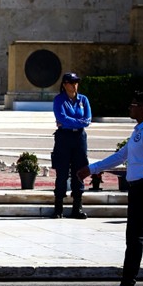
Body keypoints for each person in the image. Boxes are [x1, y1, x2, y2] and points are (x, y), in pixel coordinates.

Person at [79, 91, 143, 286]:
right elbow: (121, 156)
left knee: (134, 237)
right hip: (138, 189)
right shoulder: (140, 131)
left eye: (134, 104)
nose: (130, 107)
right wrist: (92, 168)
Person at [50, 72, 91, 219]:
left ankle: (77, 207)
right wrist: (75, 121)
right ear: (64, 84)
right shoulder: (59, 100)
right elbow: (61, 117)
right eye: (71, 82)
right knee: (62, 171)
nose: (74, 85)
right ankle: (58, 207)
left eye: (76, 82)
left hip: (79, 137)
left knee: (79, 171)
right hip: (64, 138)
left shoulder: (83, 100)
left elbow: (87, 120)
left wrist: (72, 122)